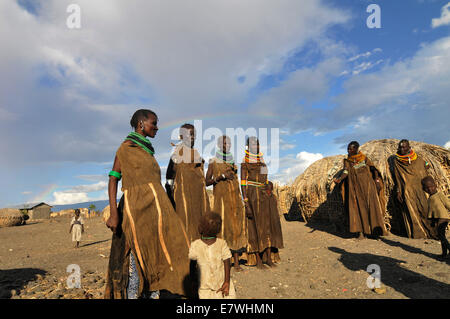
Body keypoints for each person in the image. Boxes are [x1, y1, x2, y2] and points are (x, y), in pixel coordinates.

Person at [105, 109, 190, 299]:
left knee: (168, 250)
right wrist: (113, 213)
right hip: (137, 210)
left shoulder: (146, 150)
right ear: (141, 124)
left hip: (157, 209)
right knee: (139, 259)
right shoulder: (125, 149)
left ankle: (163, 289)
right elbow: (113, 179)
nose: (157, 127)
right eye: (154, 123)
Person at [205, 136, 247, 272]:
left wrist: (241, 199)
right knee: (223, 229)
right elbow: (206, 181)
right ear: (218, 145)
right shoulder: (213, 161)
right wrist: (220, 177)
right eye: (224, 143)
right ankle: (223, 263)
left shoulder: (233, 161)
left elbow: (236, 180)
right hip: (221, 201)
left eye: (228, 142)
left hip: (235, 199)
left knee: (236, 229)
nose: (227, 145)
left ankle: (236, 263)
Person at [333, 141, 388, 239]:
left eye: (351, 149)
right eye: (348, 149)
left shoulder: (364, 158)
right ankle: (360, 233)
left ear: (356, 149)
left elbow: (373, 169)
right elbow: (345, 171)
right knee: (357, 209)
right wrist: (340, 179)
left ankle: (374, 232)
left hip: (368, 187)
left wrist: (376, 180)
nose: (349, 150)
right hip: (354, 188)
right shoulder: (347, 161)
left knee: (371, 208)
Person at [166, 123, 210, 242]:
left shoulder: (197, 154)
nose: (192, 137)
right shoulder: (177, 154)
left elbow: (202, 179)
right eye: (189, 134)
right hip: (184, 201)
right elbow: (169, 178)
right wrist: (171, 201)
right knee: (186, 232)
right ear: (181, 136)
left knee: (201, 230)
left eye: (194, 134)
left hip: (200, 200)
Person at [241, 136, 277, 269]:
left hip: (264, 196)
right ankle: (258, 260)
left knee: (267, 227)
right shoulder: (245, 162)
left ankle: (268, 258)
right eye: (252, 145)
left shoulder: (262, 162)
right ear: (248, 147)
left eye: (257, 145)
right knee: (254, 227)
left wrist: (269, 185)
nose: (255, 147)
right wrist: (246, 202)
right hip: (252, 196)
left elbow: (265, 180)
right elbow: (243, 184)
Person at [391, 139, 437, 239]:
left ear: (409, 148)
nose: (401, 149)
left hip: (421, 188)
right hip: (407, 190)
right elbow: (397, 178)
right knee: (412, 212)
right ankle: (418, 234)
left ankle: (432, 232)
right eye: (400, 147)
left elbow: (426, 165)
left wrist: (425, 166)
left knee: (425, 210)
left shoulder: (418, 159)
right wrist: (399, 191)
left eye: (404, 147)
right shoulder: (397, 162)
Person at [188, 212, 236, 299]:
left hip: (220, 286)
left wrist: (226, 282)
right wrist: (226, 281)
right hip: (206, 288)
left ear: (201, 228)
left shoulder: (221, 244)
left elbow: (192, 265)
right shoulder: (196, 245)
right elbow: (227, 262)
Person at [421, 176, 450, 259]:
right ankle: (444, 253)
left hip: (443, 218)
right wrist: (432, 221)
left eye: (432, 186)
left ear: (435, 185)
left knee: (441, 236)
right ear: (424, 189)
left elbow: (447, 204)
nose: (430, 189)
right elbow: (432, 211)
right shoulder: (430, 198)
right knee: (441, 236)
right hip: (438, 218)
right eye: (427, 188)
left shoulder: (439, 195)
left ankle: (447, 251)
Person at [265, 181, 284, 263]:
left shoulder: (274, 198)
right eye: (267, 189)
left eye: (270, 189)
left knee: (275, 238)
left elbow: (276, 211)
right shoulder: (264, 198)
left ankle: (275, 256)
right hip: (266, 222)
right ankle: (268, 257)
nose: (269, 191)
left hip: (274, 221)